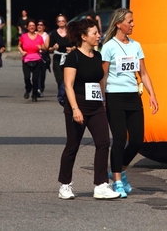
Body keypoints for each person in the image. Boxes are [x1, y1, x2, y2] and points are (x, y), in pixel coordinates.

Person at [57, 18, 120, 200]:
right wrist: (75, 109)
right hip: (77, 107)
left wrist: (103, 101)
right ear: (83, 36)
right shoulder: (73, 57)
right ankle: (65, 185)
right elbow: (68, 85)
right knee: (72, 146)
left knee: (103, 143)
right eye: (94, 33)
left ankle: (100, 185)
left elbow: (100, 79)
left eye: (98, 32)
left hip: (96, 106)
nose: (98, 35)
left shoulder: (98, 56)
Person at [101, 8, 159, 198]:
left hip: (133, 96)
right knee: (118, 139)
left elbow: (143, 72)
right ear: (119, 24)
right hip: (114, 96)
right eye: (130, 21)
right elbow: (103, 75)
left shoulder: (136, 46)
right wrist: (101, 99)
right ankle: (117, 180)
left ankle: (119, 169)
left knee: (136, 140)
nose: (133, 24)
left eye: (133, 21)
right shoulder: (109, 46)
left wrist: (152, 94)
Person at [18, 19, 47, 102]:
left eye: (33, 26)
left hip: (37, 59)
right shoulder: (24, 36)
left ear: (35, 27)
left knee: (35, 79)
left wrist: (42, 48)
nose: (32, 27)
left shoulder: (39, 37)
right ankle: (28, 88)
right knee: (27, 77)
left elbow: (44, 48)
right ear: (27, 27)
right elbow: (19, 46)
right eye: (30, 26)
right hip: (26, 59)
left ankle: (34, 94)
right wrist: (22, 51)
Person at [49, 14, 76, 92]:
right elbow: (49, 48)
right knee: (59, 78)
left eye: (63, 21)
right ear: (57, 23)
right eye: (59, 21)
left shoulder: (71, 32)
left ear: (66, 22)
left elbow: (77, 45)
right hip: (58, 57)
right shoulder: (54, 33)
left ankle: (68, 93)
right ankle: (61, 93)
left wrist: (71, 49)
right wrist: (53, 48)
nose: (61, 22)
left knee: (68, 78)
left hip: (69, 57)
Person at [36, 19, 51, 97]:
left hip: (43, 56)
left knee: (42, 74)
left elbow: (46, 47)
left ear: (44, 27)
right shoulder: (33, 34)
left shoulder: (46, 36)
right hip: (34, 55)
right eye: (38, 24)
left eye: (41, 25)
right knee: (35, 73)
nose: (39, 26)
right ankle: (36, 88)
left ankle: (41, 88)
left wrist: (41, 47)